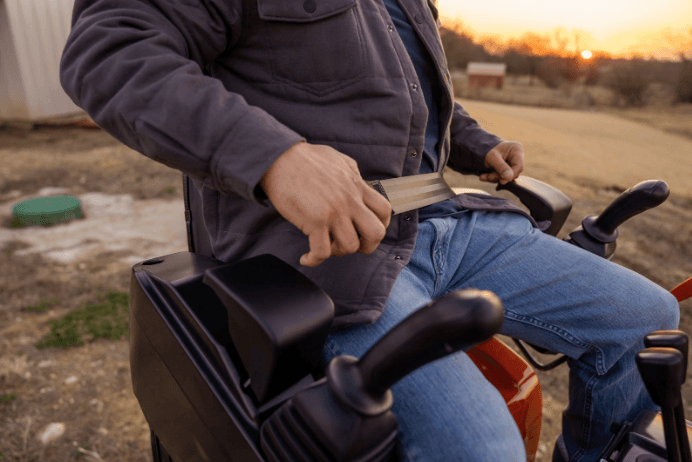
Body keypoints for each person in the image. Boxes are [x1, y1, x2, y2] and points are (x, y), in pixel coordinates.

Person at [60, 0, 679, 460]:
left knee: (645, 322)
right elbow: (109, 52)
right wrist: (275, 157)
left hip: (446, 222)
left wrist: (474, 143)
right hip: (332, 253)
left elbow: (406, 94)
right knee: (483, 447)